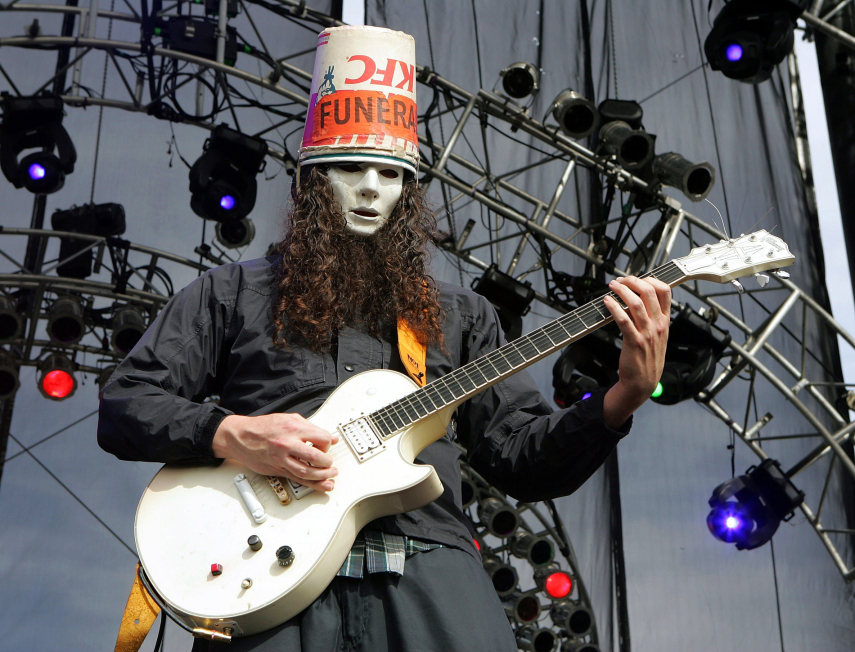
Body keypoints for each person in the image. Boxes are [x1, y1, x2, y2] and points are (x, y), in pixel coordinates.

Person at [98, 25, 671, 652]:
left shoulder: (462, 315)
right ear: (311, 180)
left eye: (391, 173)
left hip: (430, 579)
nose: (372, 188)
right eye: (350, 167)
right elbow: (126, 402)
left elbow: (525, 460)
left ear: (408, 191)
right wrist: (234, 433)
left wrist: (624, 394)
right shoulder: (232, 293)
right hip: (264, 586)